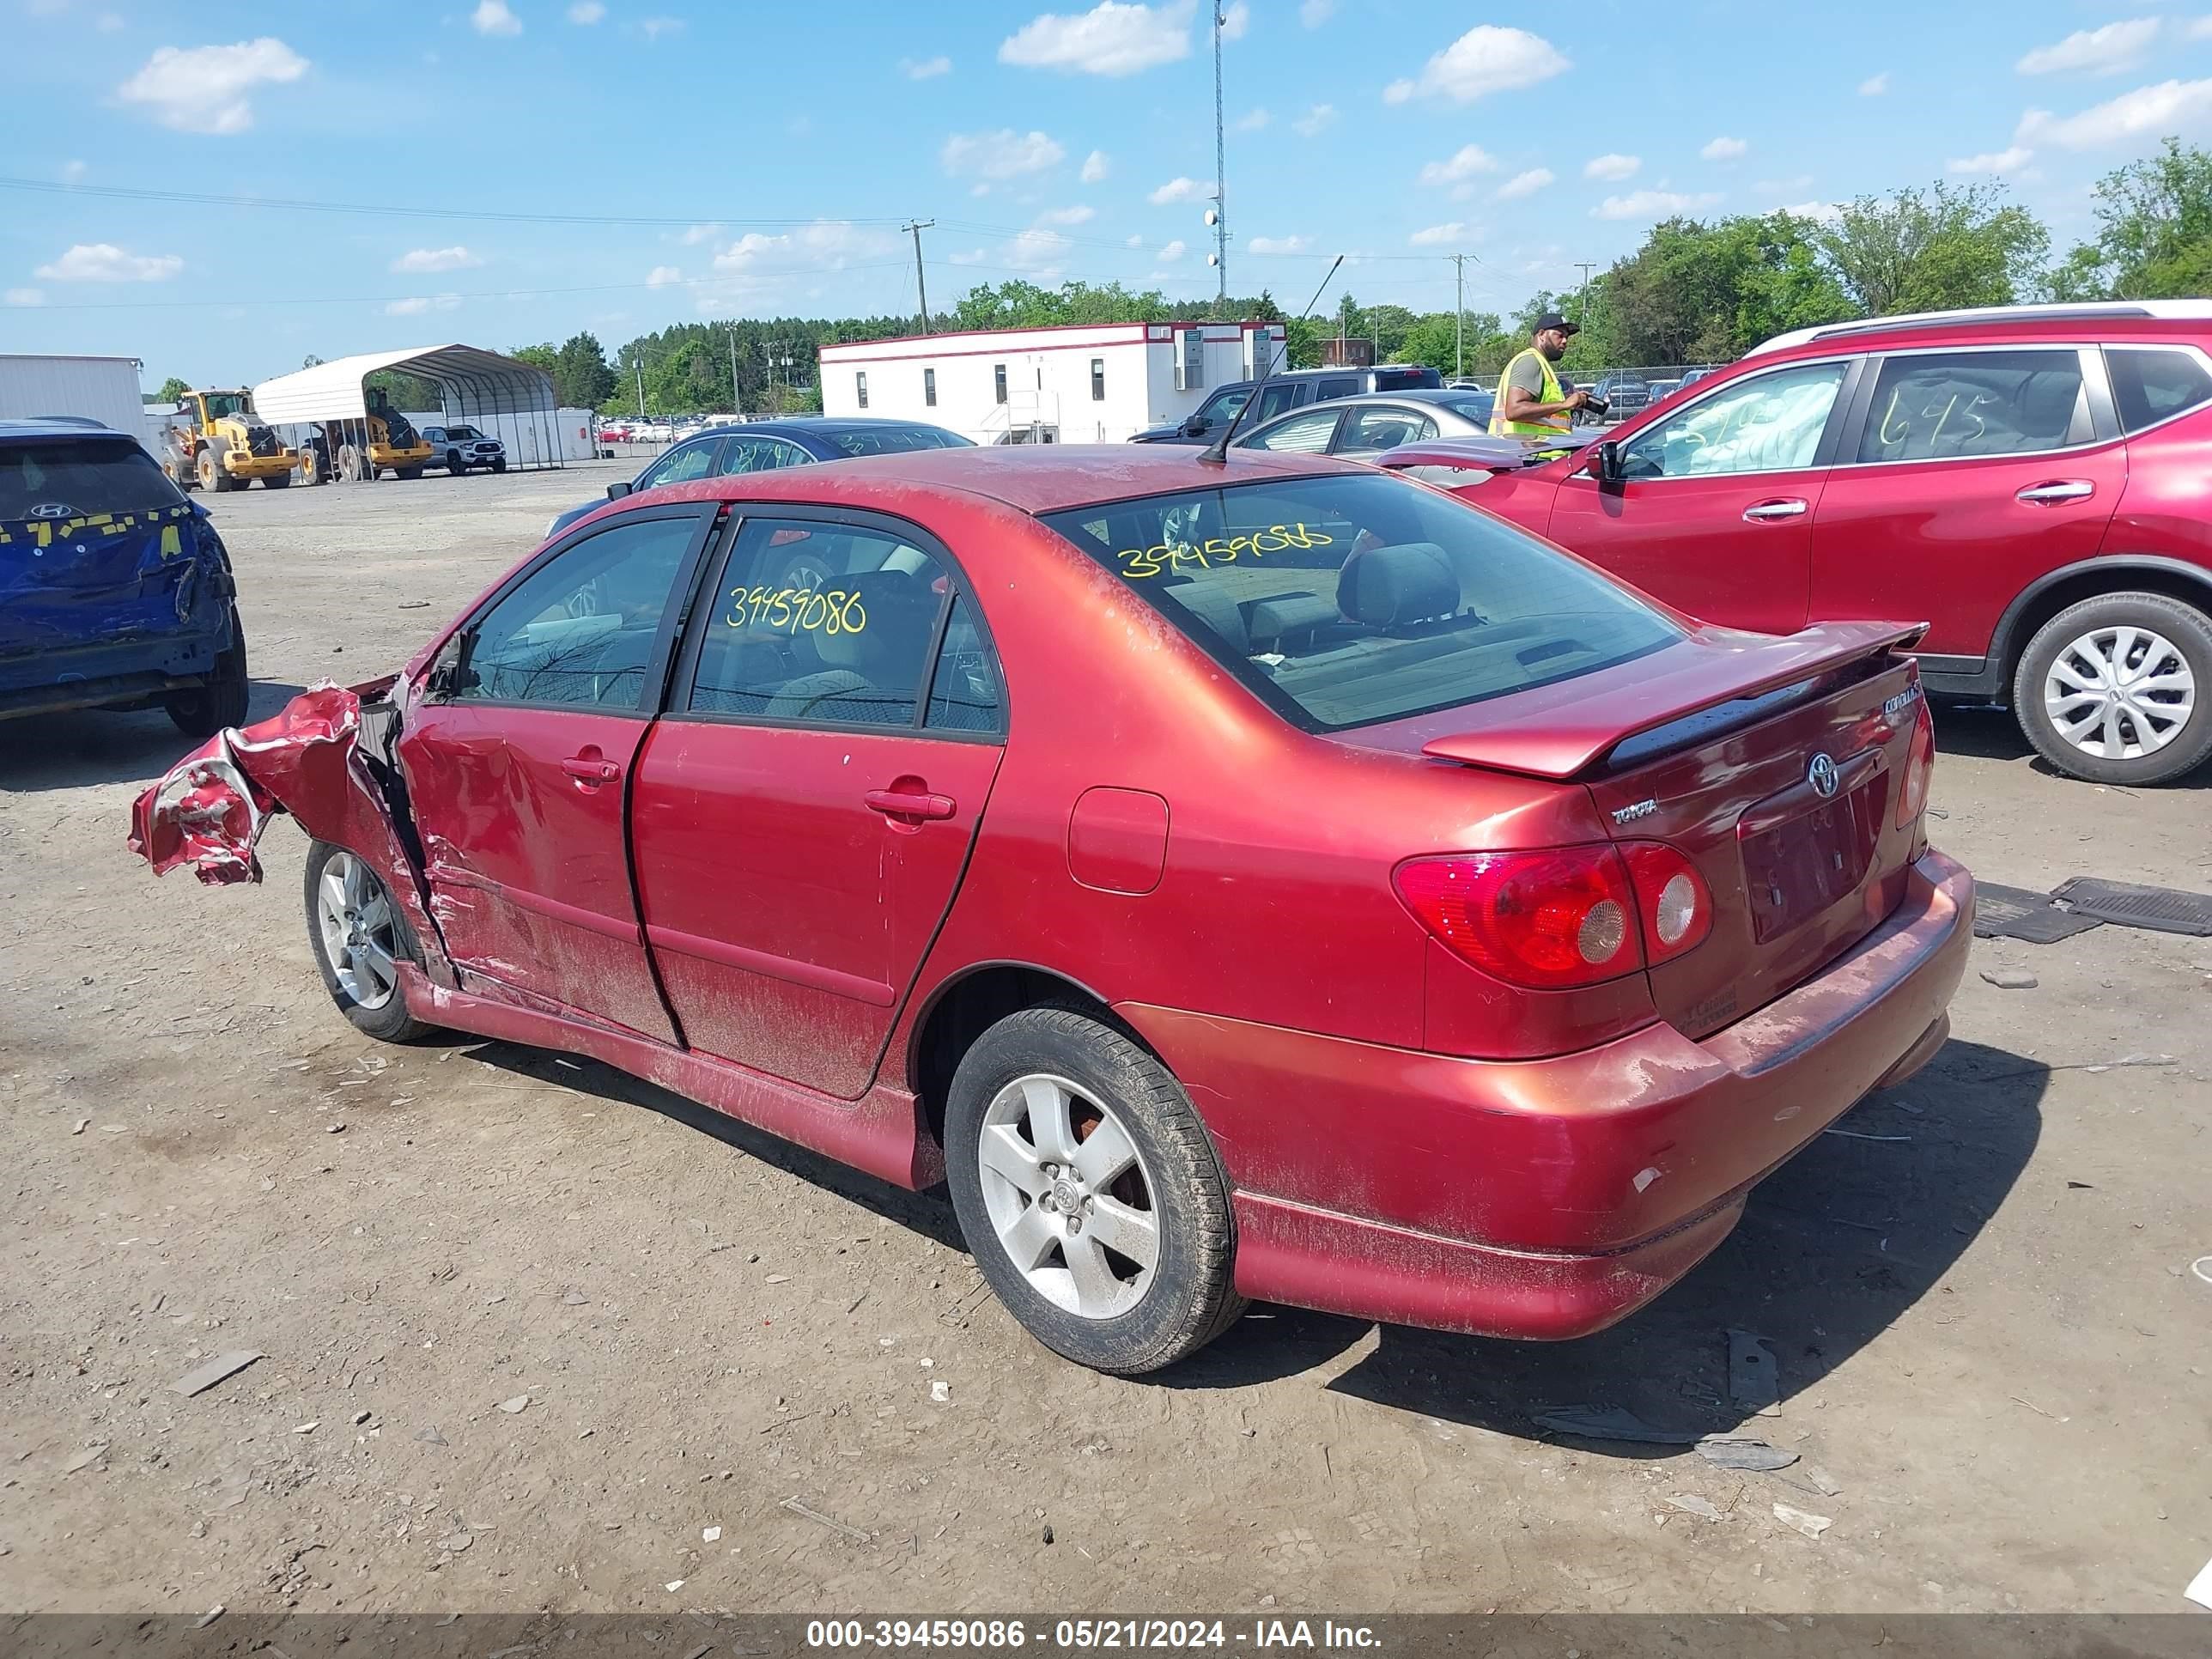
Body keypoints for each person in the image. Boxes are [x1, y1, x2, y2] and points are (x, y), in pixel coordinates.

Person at [1489, 313, 1591, 438]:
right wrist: (1565, 404)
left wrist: (1571, 401)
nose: (1565, 341)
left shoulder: (1540, 363)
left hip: (1538, 452)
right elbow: (1514, 410)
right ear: (1542, 334)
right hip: (1529, 453)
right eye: (1559, 335)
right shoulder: (1531, 361)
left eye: (1566, 337)